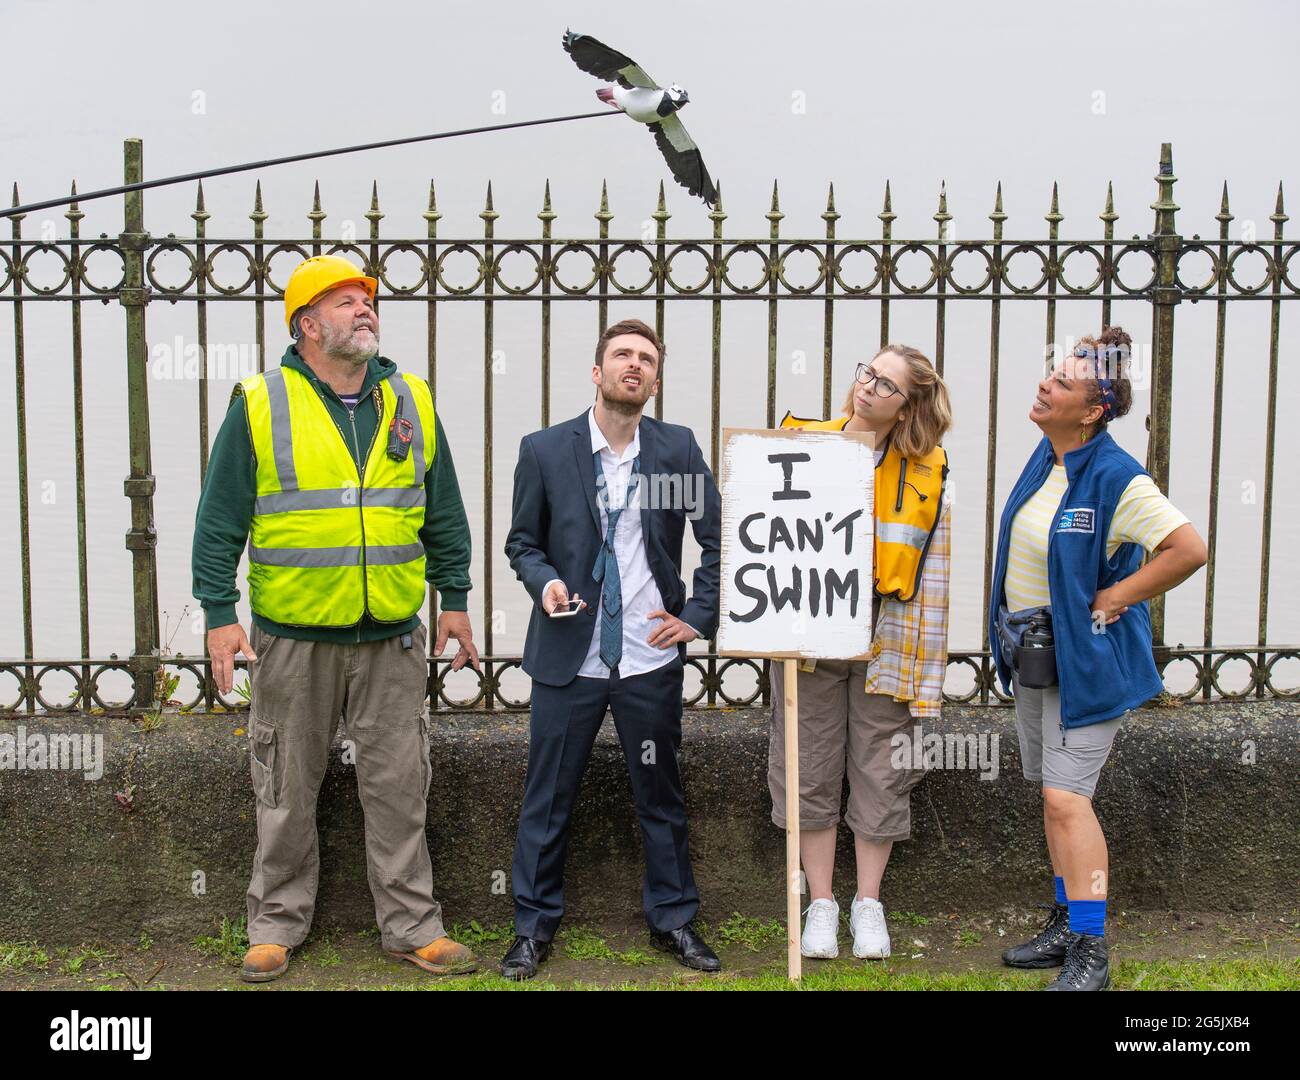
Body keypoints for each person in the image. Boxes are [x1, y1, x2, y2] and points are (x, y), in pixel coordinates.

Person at [192, 254, 483, 982]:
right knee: (285, 789)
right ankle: (275, 925)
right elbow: (220, 519)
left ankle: (413, 926)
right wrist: (220, 613)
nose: (365, 308)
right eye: (347, 300)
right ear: (308, 324)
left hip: (390, 632)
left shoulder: (410, 397)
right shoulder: (260, 401)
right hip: (292, 637)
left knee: (398, 785)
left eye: (368, 299)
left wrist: (454, 598)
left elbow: (442, 509)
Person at [501, 318, 722, 979]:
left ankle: (675, 921)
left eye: (646, 359)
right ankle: (533, 928)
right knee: (548, 796)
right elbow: (522, 543)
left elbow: (720, 538)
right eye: (622, 355)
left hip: (649, 657)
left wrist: (697, 617)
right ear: (597, 373)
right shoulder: (545, 450)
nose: (634, 365)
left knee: (661, 793)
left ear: (655, 380)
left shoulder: (675, 450)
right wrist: (543, 585)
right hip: (571, 656)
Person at [990, 326, 1207, 990]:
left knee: (1067, 799)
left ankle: (1091, 948)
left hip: (1087, 664)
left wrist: (1118, 595)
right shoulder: (1049, 456)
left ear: (1091, 412)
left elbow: (1188, 549)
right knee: (1054, 799)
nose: (1044, 384)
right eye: (1050, 373)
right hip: (1037, 655)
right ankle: (1066, 920)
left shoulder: (1117, 475)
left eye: (1062, 382)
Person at [776, 344, 952, 960]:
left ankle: (868, 902)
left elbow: (934, 571)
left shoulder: (930, 468)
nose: (868, 387)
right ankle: (821, 902)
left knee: (882, 767)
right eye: (866, 373)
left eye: (886, 384)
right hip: (811, 632)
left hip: (889, 634)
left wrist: (926, 672)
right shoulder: (803, 443)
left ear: (907, 408)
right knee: (809, 762)